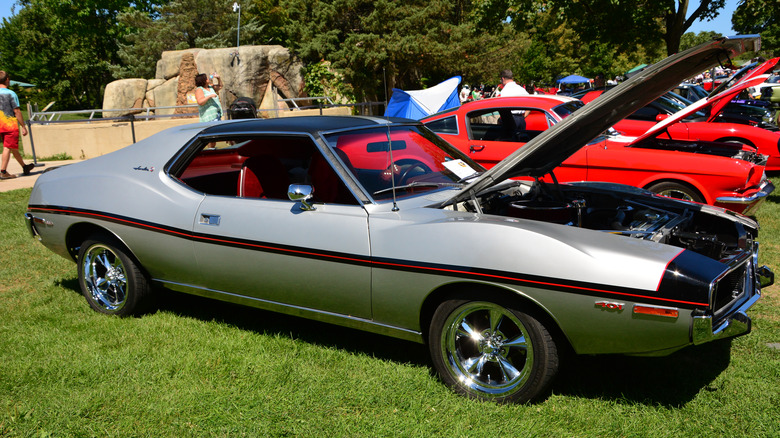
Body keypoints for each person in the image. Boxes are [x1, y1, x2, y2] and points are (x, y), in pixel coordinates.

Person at [0, 71, 33, 180]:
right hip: (9, 124)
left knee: (12, 147)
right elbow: (17, 111)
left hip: (0, 124)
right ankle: (3, 172)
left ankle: (24, 167)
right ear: (7, 80)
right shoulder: (11, 94)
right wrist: (23, 126)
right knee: (7, 147)